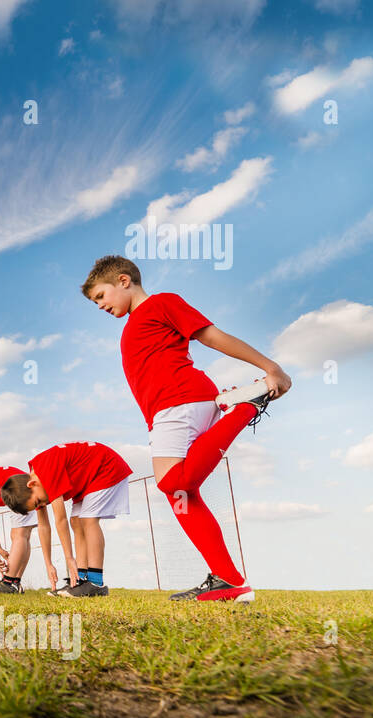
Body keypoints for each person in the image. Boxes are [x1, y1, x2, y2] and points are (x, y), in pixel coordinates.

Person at [83, 255, 290, 602]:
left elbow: (212, 336)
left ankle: (245, 406)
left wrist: (270, 366)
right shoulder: (134, 324)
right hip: (169, 408)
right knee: (182, 497)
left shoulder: (162, 303)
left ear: (123, 281)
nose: (99, 305)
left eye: (100, 296)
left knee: (173, 482)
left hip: (180, 400)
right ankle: (229, 581)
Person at [0, 441, 132, 597]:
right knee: (76, 522)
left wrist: (69, 558)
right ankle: (80, 580)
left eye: (38, 502)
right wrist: (49, 564)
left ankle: (95, 583)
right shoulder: (37, 481)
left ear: (32, 484)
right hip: (89, 478)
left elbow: (60, 519)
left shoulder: (46, 471)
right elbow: (44, 527)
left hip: (106, 468)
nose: (43, 505)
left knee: (88, 520)